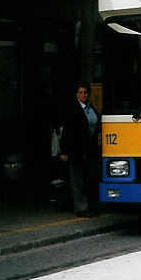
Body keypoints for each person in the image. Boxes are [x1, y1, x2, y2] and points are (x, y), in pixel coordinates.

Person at [59, 81, 101, 217]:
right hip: (76, 149)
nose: (83, 95)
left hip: (89, 150)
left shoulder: (90, 108)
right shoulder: (73, 109)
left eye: (85, 92)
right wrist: (64, 151)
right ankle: (81, 208)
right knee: (77, 180)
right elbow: (67, 131)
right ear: (76, 94)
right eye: (80, 92)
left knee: (89, 178)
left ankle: (90, 206)